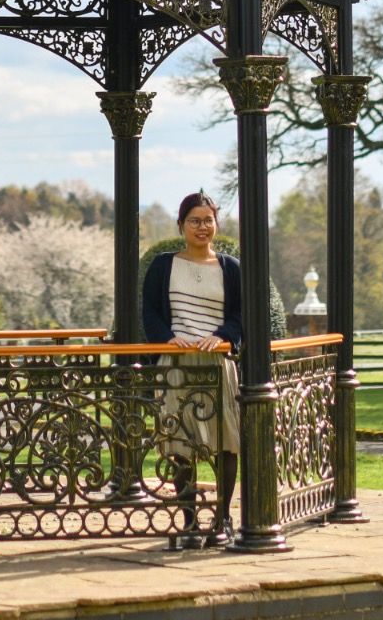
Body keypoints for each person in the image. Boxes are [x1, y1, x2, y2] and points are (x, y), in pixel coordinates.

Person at [141, 189, 241, 543]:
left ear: (217, 224)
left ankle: (222, 519)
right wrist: (167, 338)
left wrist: (224, 335)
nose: (202, 227)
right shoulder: (163, 265)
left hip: (216, 362)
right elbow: (150, 311)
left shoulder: (230, 268)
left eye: (208, 221)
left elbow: (240, 315)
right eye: (194, 221)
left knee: (226, 440)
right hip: (177, 363)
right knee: (181, 441)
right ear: (181, 225)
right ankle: (188, 523)